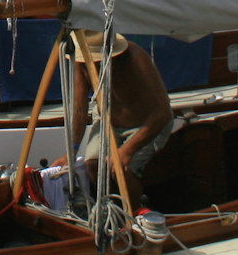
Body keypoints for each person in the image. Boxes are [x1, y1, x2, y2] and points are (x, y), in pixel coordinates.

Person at [66, 31, 173, 199]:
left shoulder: (136, 58)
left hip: (146, 125)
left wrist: (128, 150)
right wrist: (72, 151)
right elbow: (80, 110)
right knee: (93, 165)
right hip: (107, 122)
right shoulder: (82, 64)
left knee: (122, 170)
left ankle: (136, 212)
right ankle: (110, 210)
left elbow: (163, 113)